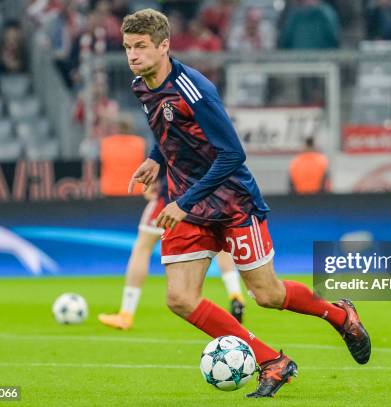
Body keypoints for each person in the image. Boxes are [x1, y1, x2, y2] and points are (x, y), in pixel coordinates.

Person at [121, 9, 371, 398]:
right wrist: (156, 158)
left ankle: (341, 316)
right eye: (127, 47)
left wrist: (184, 201)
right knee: (180, 298)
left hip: (232, 202)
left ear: (164, 46)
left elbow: (232, 154)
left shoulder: (194, 89)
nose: (132, 55)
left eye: (140, 47)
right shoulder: (142, 85)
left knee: (267, 295)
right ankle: (273, 361)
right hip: (190, 206)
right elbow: (165, 127)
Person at [98, 168, 246, 330]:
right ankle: (236, 294)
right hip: (208, 197)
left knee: (143, 247)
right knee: (221, 246)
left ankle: (126, 313)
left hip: (171, 197)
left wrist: (153, 181)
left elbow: (166, 153)